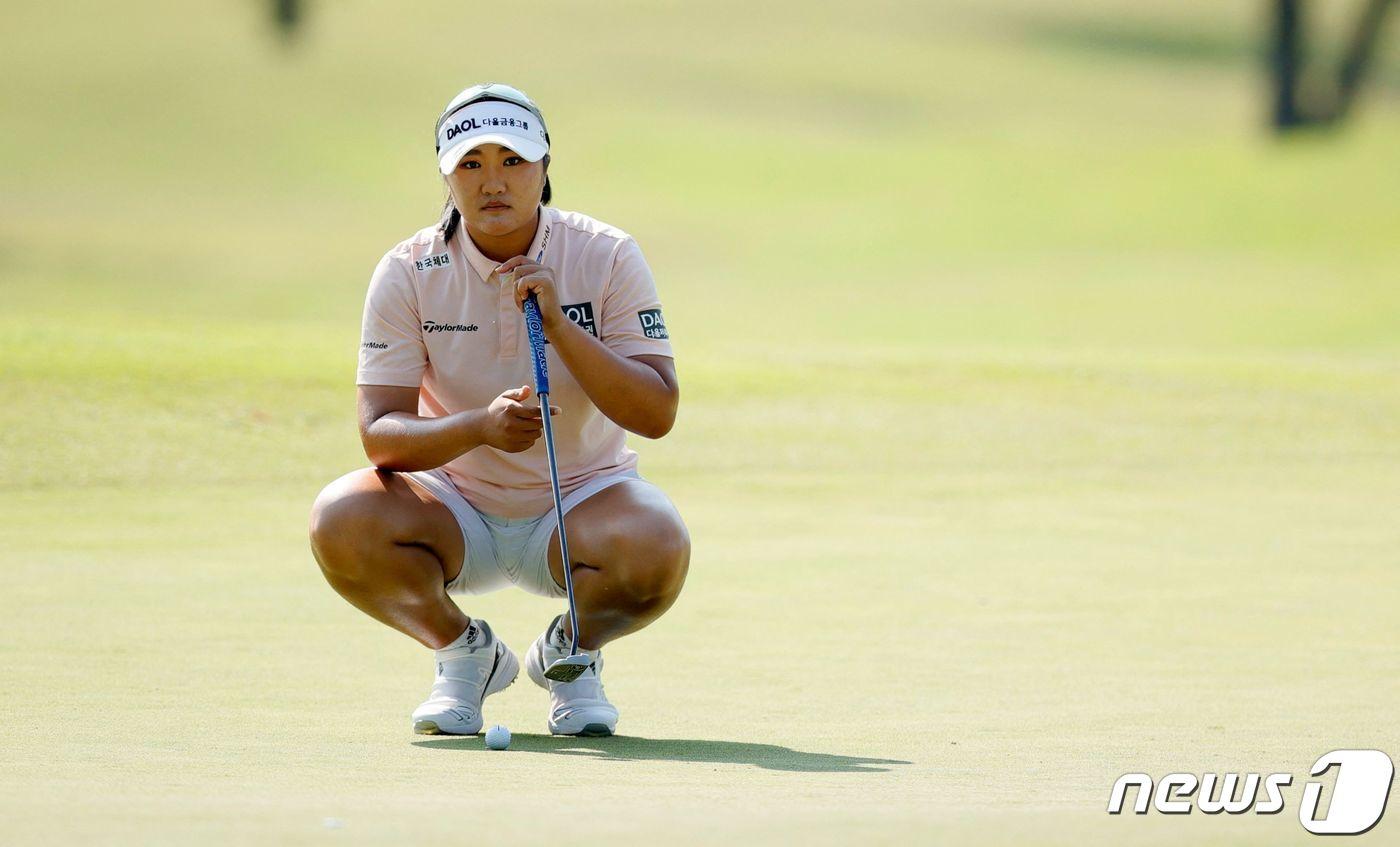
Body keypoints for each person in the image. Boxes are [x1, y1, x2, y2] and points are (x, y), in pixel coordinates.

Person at [308, 83, 690, 738]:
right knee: (341, 517)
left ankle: (571, 654)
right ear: (446, 175)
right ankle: (465, 656)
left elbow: (657, 412)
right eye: (471, 163)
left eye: (513, 160)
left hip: (582, 499)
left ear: (544, 167)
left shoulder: (606, 254)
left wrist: (561, 326)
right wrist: (478, 428)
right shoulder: (410, 269)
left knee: (658, 544)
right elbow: (380, 435)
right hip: (452, 504)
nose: (493, 181)